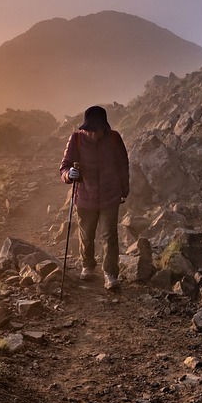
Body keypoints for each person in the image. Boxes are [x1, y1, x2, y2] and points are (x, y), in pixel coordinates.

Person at [60, 105, 130, 291]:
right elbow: (64, 166)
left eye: (96, 130)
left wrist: (124, 190)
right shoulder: (76, 139)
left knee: (109, 235)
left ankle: (110, 274)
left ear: (104, 128)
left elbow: (123, 164)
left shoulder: (114, 138)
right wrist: (69, 174)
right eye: (89, 130)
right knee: (87, 234)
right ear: (84, 128)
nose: (93, 134)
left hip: (110, 194)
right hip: (85, 194)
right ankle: (88, 265)